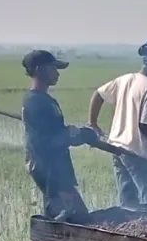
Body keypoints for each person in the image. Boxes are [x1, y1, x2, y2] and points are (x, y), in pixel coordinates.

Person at [88, 38, 147, 208]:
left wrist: (93, 122)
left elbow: (98, 94)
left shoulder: (125, 79)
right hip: (141, 156)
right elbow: (146, 127)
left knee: (128, 206)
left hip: (118, 151)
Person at [21, 50, 96, 220]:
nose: (57, 73)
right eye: (53, 68)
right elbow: (45, 142)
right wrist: (75, 135)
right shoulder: (36, 102)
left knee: (71, 220)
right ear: (40, 70)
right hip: (50, 170)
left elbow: (55, 133)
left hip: (57, 168)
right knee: (71, 220)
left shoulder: (45, 100)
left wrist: (75, 135)